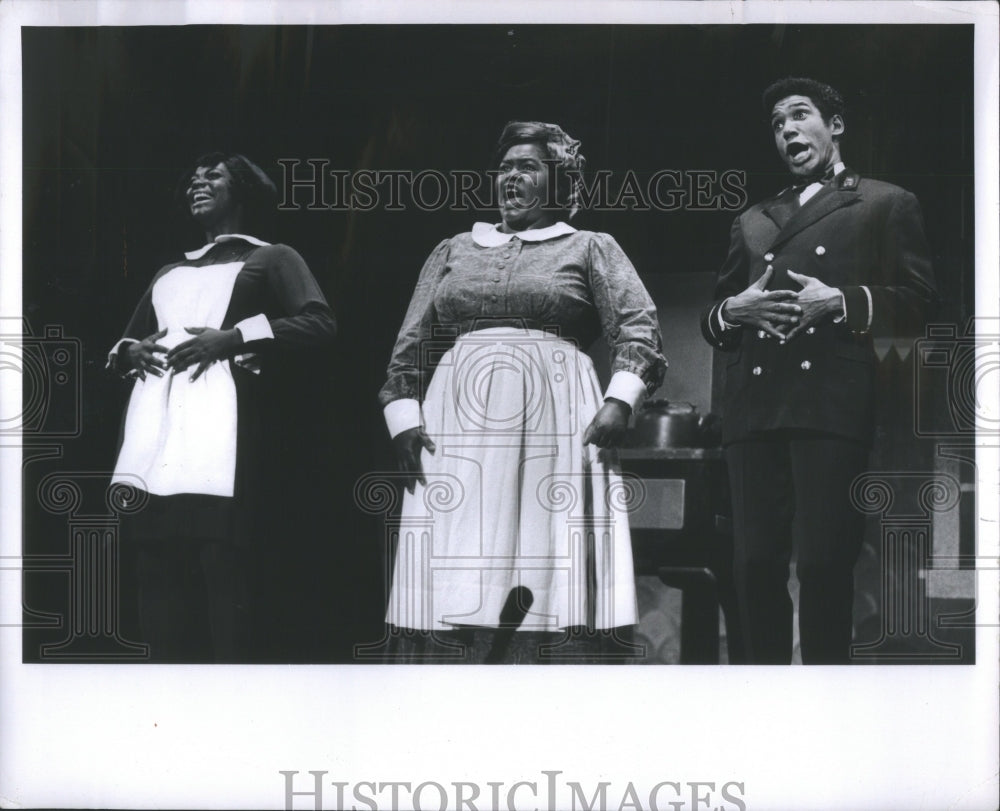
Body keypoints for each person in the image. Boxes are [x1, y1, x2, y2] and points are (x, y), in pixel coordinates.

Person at [378, 121, 665, 663]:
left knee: (541, 551)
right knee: (458, 553)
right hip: (457, 420)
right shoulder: (454, 249)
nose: (510, 176)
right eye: (504, 167)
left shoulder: (591, 247)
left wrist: (620, 398)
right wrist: (403, 416)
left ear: (557, 181)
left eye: (527, 166)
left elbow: (638, 325)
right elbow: (410, 340)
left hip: (555, 418)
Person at [700, 78, 938, 664]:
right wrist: (735, 310)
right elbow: (714, 318)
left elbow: (921, 302)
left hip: (830, 404)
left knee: (822, 563)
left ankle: (826, 701)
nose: (786, 131)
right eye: (777, 124)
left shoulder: (884, 202)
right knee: (752, 564)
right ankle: (765, 696)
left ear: (834, 125)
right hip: (753, 409)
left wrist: (843, 301)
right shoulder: (753, 219)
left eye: (799, 116)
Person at [108, 152, 336, 662]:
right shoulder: (169, 270)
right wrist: (131, 351)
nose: (197, 183)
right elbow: (126, 342)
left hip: (223, 435)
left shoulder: (272, 257)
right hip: (155, 434)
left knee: (222, 568)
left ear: (244, 192)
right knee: (155, 568)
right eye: (192, 178)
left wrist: (232, 337)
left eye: (212, 176)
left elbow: (320, 323)